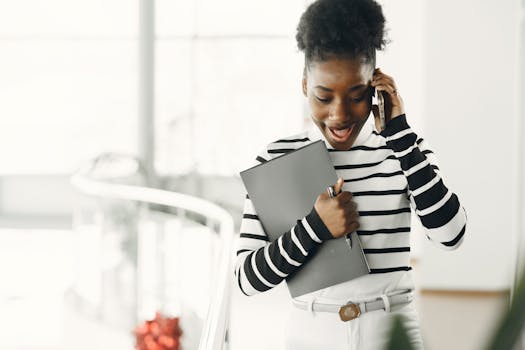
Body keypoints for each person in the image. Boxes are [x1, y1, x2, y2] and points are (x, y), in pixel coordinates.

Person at [233, 0, 468, 349]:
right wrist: (315, 227)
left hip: (392, 329)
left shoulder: (405, 148)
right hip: (311, 334)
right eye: (323, 97)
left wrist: (400, 136)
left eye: (356, 96)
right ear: (303, 86)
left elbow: (452, 235)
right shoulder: (277, 157)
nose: (339, 115)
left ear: (376, 87)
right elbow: (247, 280)